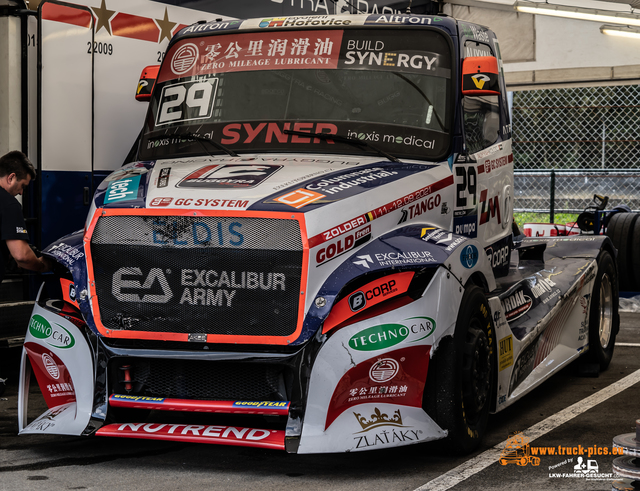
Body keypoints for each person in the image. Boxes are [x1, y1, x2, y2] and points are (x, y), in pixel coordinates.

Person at [0, 151, 52, 283]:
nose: (21, 192)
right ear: (11, 177)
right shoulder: (9, 204)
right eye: (23, 186)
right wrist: (42, 265)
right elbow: (22, 255)